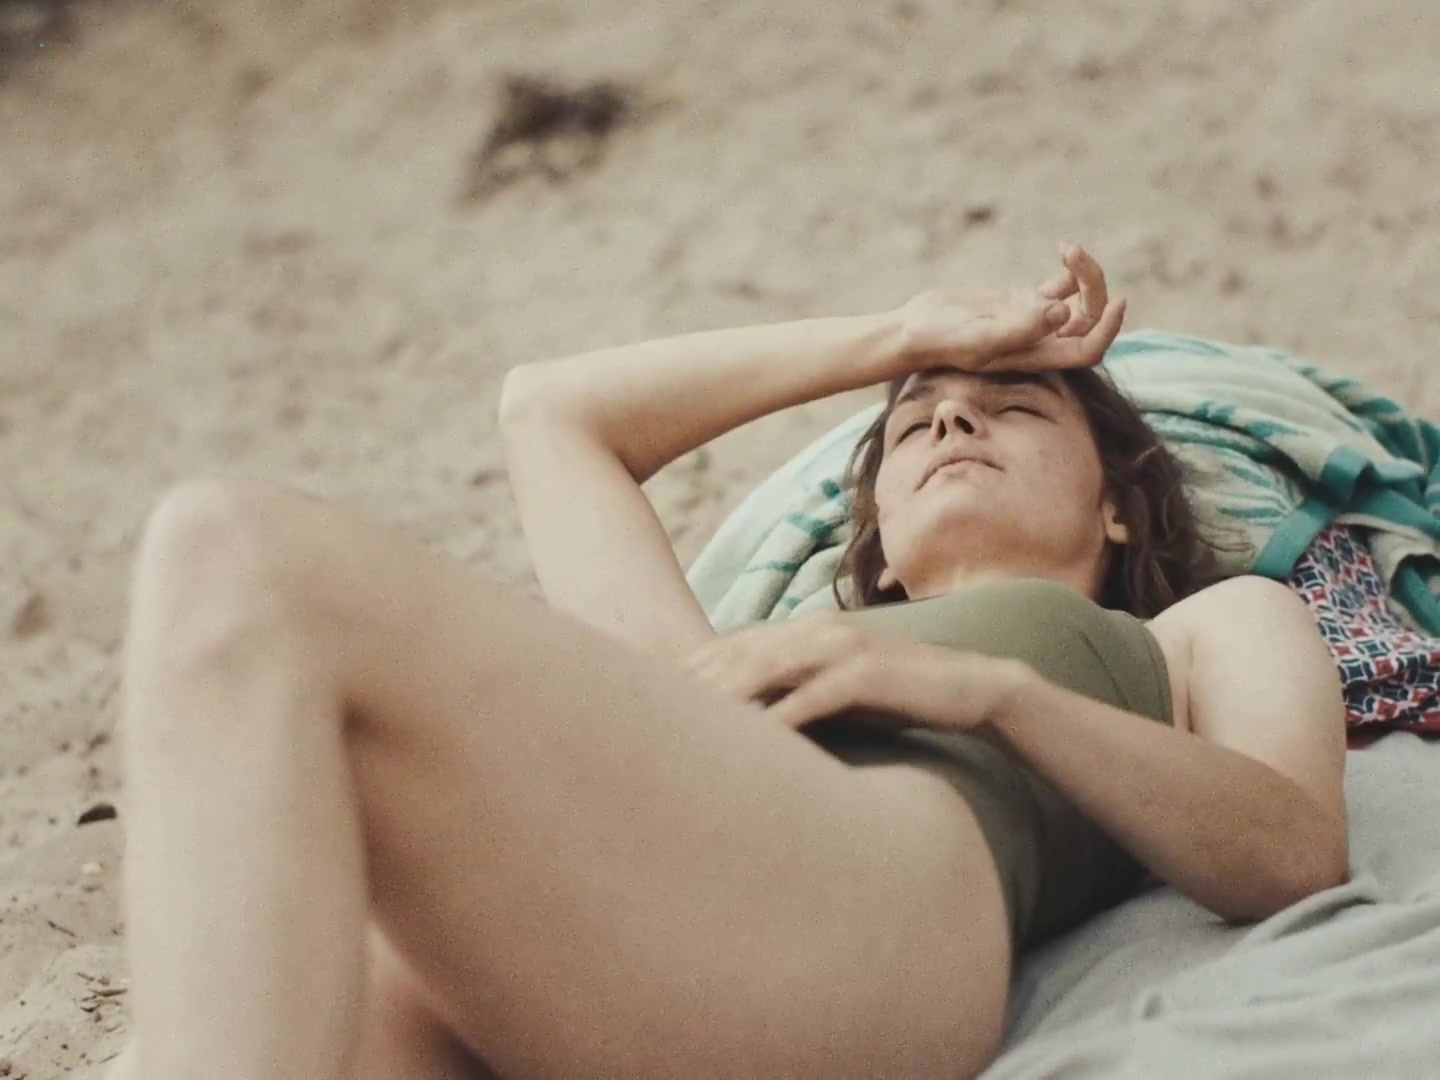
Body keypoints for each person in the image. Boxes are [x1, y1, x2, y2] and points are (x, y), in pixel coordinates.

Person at [104, 244, 1348, 1080]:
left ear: (1120, 506)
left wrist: (994, 697)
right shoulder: (731, 658)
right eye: (915, 421)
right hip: (655, 886)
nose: (955, 415)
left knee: (234, 552)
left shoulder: (1203, 624)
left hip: (871, 916)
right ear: (882, 542)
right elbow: (549, 409)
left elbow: (1292, 849)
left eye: (1015, 404)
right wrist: (903, 332)